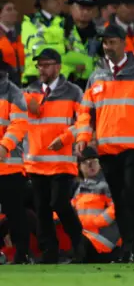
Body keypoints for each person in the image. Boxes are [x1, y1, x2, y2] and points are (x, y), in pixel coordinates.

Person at [75, 25, 134, 263]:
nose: (108, 47)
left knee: (130, 193)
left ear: (124, 43)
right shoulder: (96, 76)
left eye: (113, 42)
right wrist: (82, 138)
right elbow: (86, 112)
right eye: (105, 43)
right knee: (119, 198)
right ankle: (129, 247)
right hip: (107, 149)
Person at [23, 48, 85, 264]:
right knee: (42, 210)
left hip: (61, 163)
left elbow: (84, 121)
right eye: (39, 65)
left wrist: (66, 137)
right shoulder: (29, 91)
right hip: (36, 162)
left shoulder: (74, 92)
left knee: (60, 204)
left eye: (47, 64)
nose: (42, 69)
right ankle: (49, 253)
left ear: (58, 66)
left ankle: (80, 245)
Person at [0, 55, 30, 264]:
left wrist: (4, 145)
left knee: (15, 214)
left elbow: (19, 124)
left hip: (9, 167)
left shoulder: (13, 92)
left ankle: (22, 254)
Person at [73, 147, 121, 263]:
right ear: (79, 167)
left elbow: (116, 206)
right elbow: (70, 208)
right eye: (86, 163)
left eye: (94, 161)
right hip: (87, 236)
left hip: (103, 239)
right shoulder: (79, 188)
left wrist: (96, 222)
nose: (91, 165)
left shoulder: (107, 185)